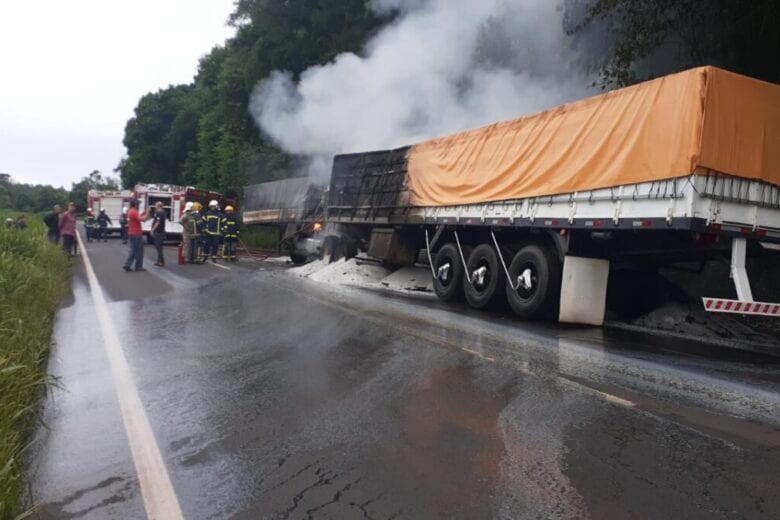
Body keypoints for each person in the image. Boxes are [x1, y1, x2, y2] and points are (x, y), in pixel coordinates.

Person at [122, 199, 151, 272]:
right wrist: (147, 212)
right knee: (139, 250)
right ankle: (138, 266)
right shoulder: (134, 212)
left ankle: (127, 265)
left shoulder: (131, 211)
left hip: (132, 233)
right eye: (138, 204)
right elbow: (143, 219)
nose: (139, 205)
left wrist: (144, 213)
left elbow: (138, 218)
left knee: (134, 249)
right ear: (135, 204)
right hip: (136, 233)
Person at [150, 201, 167, 266]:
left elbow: (158, 222)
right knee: (158, 247)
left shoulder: (160, 213)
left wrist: (152, 230)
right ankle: (159, 261)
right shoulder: (159, 212)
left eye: (156, 205)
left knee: (158, 247)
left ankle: (161, 262)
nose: (155, 206)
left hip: (159, 232)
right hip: (159, 232)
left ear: (159, 206)